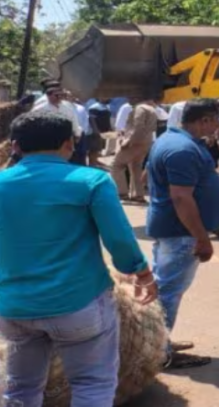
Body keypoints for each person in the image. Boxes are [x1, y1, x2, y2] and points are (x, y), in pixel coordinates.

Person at [0, 111, 156, 407]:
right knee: (92, 384)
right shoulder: (90, 181)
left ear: (16, 146)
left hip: (13, 308)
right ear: (69, 144)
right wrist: (142, 273)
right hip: (77, 305)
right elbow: (119, 240)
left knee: (20, 389)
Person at [146, 97, 219, 369]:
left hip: (173, 229)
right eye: (216, 119)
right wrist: (201, 238)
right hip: (181, 232)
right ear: (204, 120)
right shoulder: (182, 149)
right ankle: (161, 352)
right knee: (168, 292)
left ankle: (161, 340)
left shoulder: (175, 141)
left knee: (163, 288)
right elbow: (181, 197)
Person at [111, 97, 160, 204]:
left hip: (135, 142)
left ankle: (121, 193)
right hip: (147, 141)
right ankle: (138, 195)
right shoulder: (151, 109)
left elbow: (138, 127)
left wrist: (128, 141)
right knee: (136, 167)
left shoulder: (140, 108)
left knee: (116, 165)